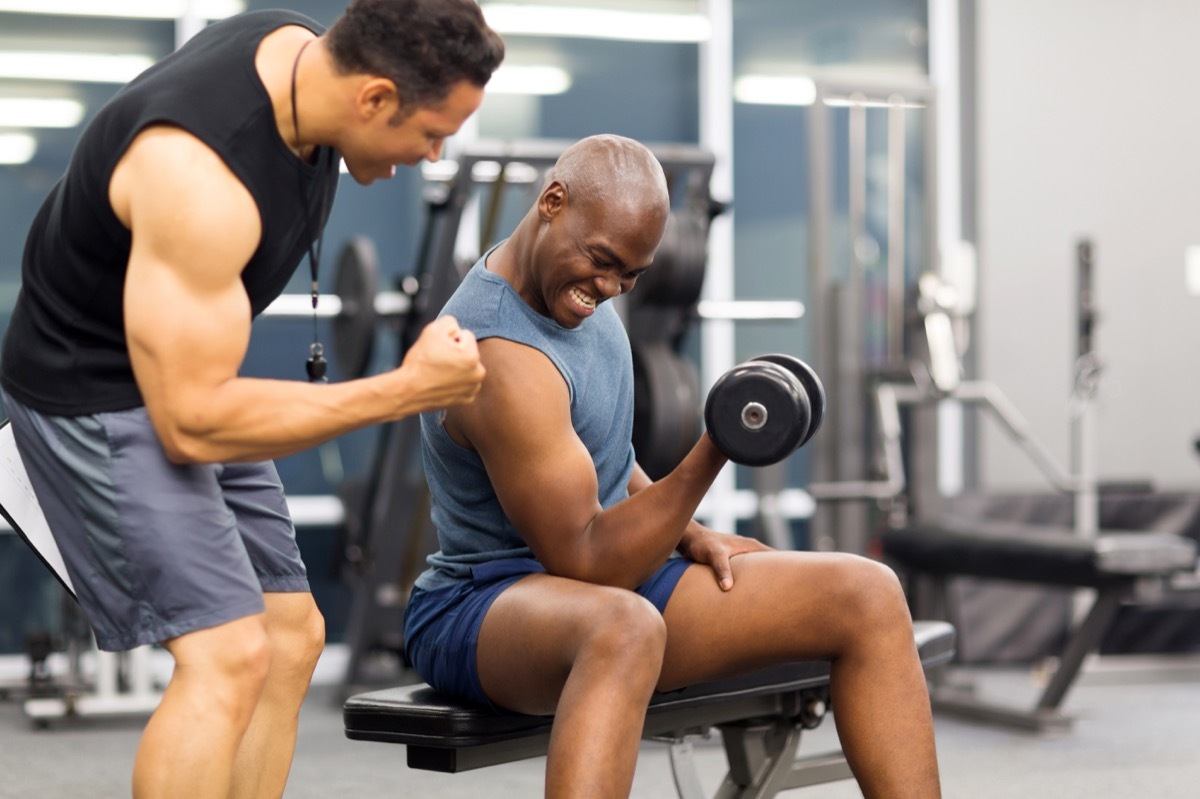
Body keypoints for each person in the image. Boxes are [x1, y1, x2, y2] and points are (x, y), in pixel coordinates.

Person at [0, 2, 502, 797]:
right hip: (92, 391)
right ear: (373, 98)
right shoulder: (200, 180)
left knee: (292, 634)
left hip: (187, 371)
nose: (434, 156)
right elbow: (193, 422)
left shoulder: (298, 50)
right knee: (225, 652)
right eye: (432, 133)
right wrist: (404, 391)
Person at [405, 134, 943, 799]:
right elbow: (588, 558)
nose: (607, 289)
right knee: (622, 626)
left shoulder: (579, 295)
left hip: (605, 585)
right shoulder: (502, 355)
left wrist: (687, 532)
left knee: (867, 592)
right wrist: (716, 444)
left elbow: (611, 460)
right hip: (485, 604)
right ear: (551, 202)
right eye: (602, 263)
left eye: (629, 275)